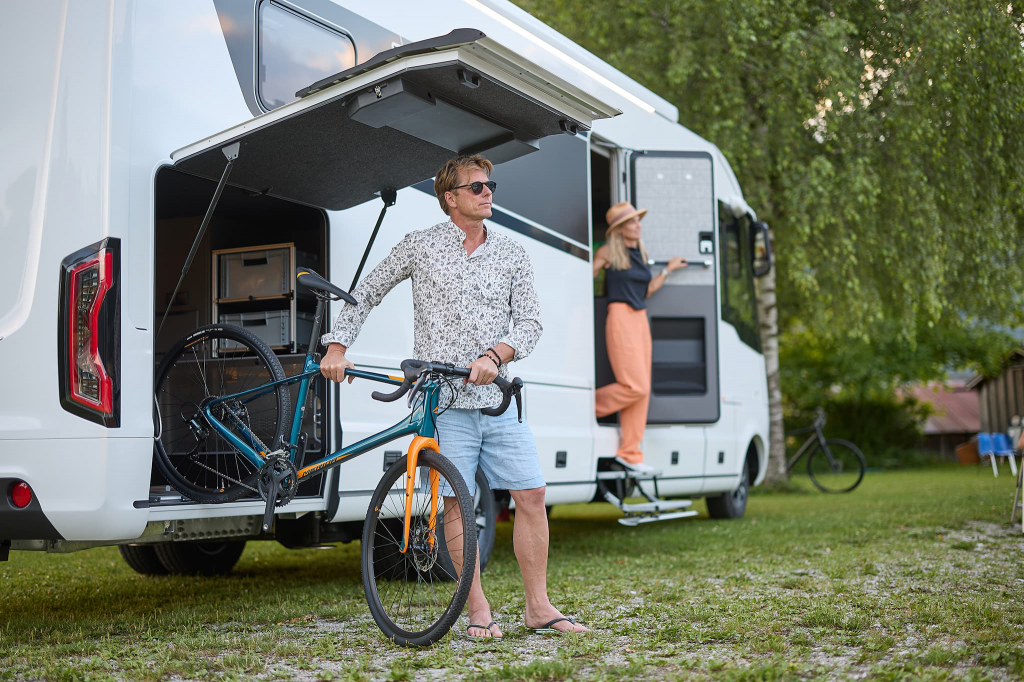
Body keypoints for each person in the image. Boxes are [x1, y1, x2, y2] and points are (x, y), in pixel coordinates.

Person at [319, 154, 587, 639]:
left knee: (532, 494)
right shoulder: (420, 245)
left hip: (498, 401)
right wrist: (337, 345)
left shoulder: (512, 252)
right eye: (477, 186)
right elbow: (367, 291)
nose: (488, 193)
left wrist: (495, 355)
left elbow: (530, 323)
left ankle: (539, 607)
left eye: (490, 186)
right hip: (442, 402)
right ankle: (477, 609)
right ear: (451, 197)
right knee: (457, 504)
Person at [593, 201, 687, 472]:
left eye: (638, 221)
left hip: (640, 318)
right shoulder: (608, 252)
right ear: (620, 229)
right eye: (633, 222)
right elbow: (584, 276)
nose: (638, 225)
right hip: (620, 316)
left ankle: (631, 454)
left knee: (642, 391)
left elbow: (645, 292)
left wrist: (667, 270)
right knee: (636, 387)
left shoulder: (640, 254)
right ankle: (586, 406)